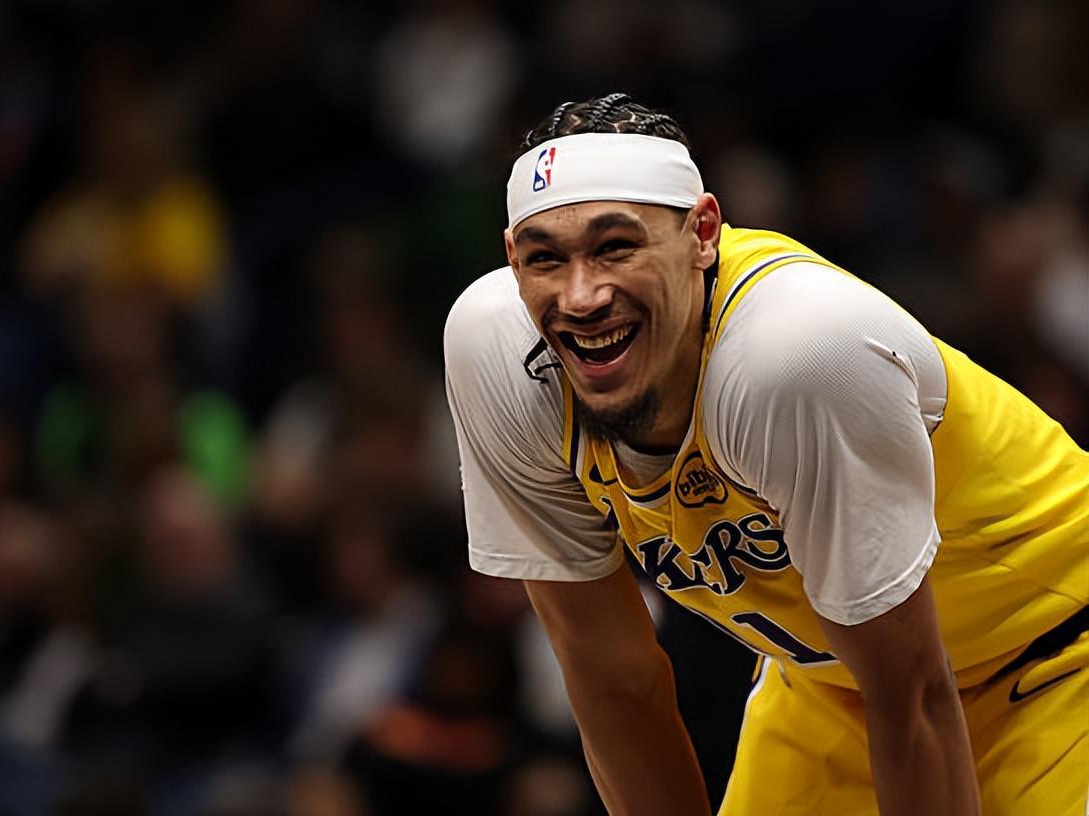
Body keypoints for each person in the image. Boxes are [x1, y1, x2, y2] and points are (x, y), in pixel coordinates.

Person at [443, 93, 1089, 816]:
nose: (582, 296)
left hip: (1060, 655)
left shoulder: (797, 355)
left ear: (703, 234)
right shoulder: (501, 358)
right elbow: (613, 682)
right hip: (832, 690)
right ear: (512, 261)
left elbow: (913, 694)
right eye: (545, 259)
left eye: (616, 247)